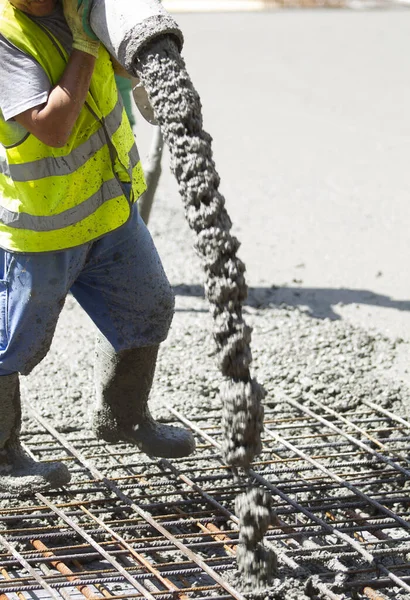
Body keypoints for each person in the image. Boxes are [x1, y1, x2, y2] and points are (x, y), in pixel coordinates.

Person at [0, 0, 195, 494]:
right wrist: (87, 44)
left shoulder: (83, 5)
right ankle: (2, 456)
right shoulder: (6, 34)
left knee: (149, 307)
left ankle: (123, 418)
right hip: (43, 228)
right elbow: (53, 126)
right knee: (10, 347)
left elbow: (127, 62)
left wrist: (148, 52)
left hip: (109, 209)